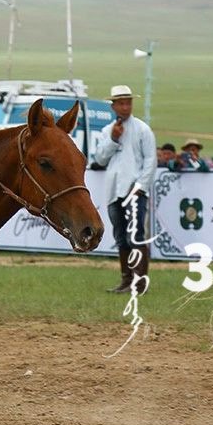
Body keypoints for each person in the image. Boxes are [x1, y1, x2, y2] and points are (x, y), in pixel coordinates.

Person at [91, 85, 156, 294]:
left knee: (135, 235)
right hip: (113, 192)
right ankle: (126, 280)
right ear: (113, 106)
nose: (125, 106)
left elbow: (150, 162)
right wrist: (113, 139)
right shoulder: (106, 131)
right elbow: (100, 158)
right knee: (120, 236)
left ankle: (140, 282)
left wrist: (140, 188)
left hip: (134, 190)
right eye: (121, 103)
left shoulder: (143, 129)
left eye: (128, 102)